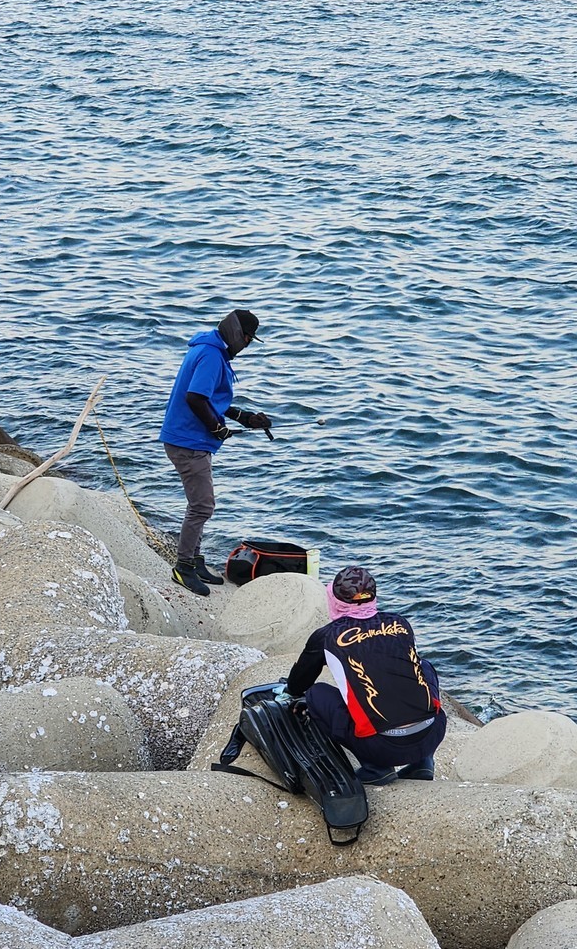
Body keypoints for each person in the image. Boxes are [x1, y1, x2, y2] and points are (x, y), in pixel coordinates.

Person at [274, 565, 446, 785]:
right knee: (426, 667)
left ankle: (376, 768)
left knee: (315, 693)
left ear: (334, 599)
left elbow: (299, 683)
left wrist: (290, 692)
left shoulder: (326, 636)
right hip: (432, 733)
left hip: (381, 747)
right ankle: (423, 760)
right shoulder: (401, 624)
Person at [160, 308, 272, 596]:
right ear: (237, 334)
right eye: (247, 339)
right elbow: (195, 398)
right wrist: (216, 429)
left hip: (188, 439)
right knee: (202, 506)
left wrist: (245, 418)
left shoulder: (210, 347)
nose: (247, 345)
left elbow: (210, 399)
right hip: (188, 442)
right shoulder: (211, 355)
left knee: (200, 504)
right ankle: (183, 567)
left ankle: (196, 561)